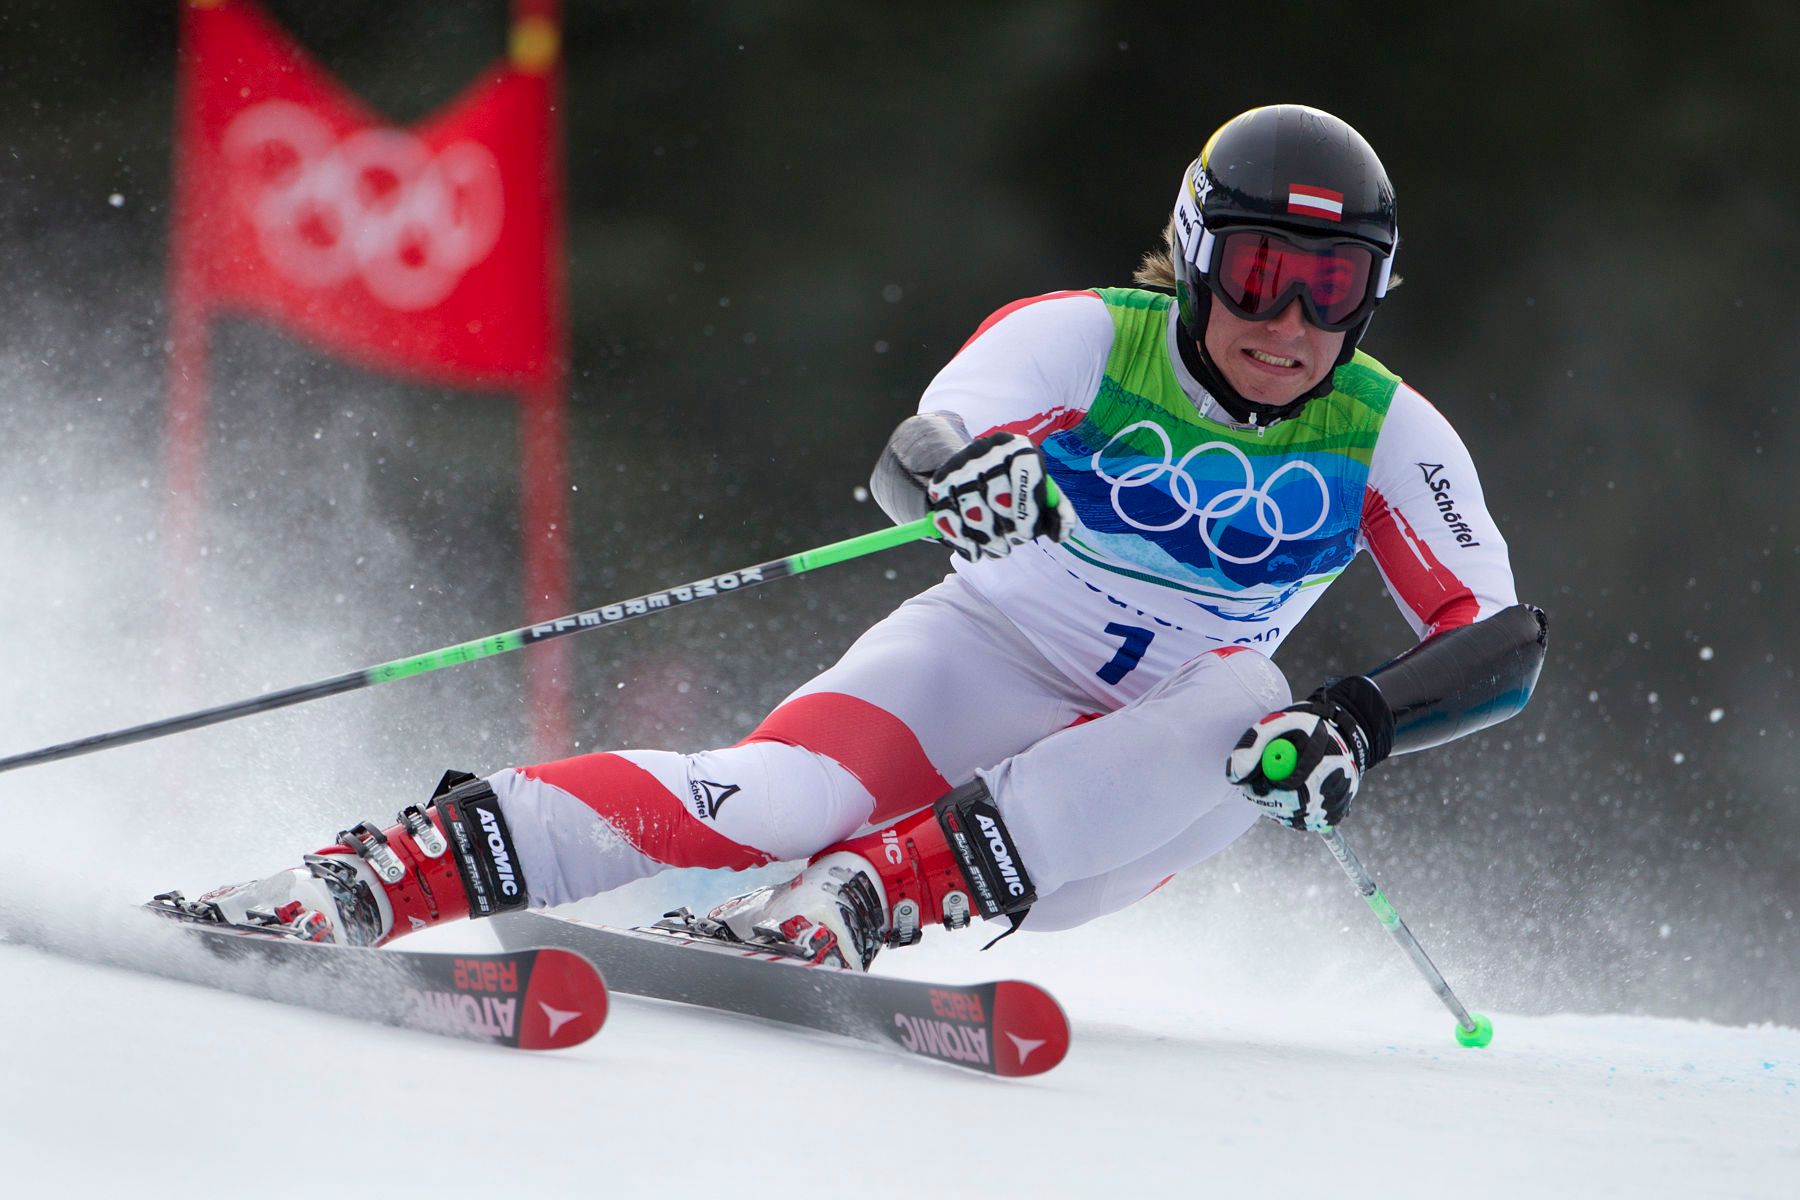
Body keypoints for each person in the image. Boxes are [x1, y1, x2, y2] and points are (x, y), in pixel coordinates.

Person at [168, 104, 1547, 970]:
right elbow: (919, 452)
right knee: (763, 804)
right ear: (1195, 255)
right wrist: (975, 483)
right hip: (979, 663)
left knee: (1254, 703)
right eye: (1258, 273)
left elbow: (1501, 645)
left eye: (1331, 288)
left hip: (1126, 801)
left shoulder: (1386, 433)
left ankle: (879, 891)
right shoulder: (1086, 338)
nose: (1290, 323)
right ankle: (379, 873)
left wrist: (1356, 726)